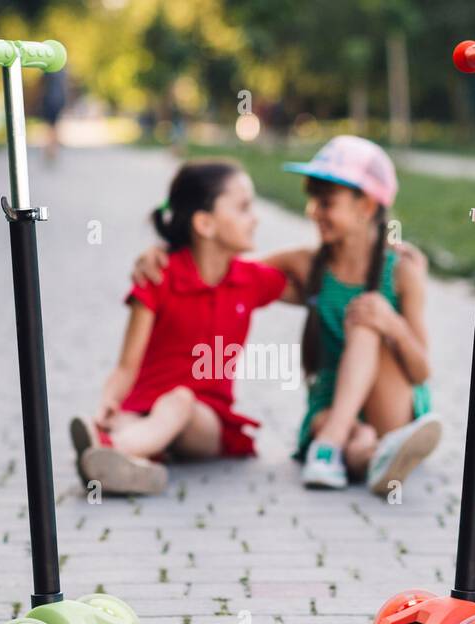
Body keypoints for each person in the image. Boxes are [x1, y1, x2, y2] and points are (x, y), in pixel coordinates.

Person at [130, 136, 441, 496]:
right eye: (312, 201)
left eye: (326, 203)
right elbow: (222, 272)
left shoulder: (401, 272)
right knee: (357, 439)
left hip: (392, 400)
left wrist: (392, 324)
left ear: (367, 206)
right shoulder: (306, 265)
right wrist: (165, 253)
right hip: (332, 403)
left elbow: (421, 371)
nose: (313, 211)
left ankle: (336, 446)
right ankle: (370, 457)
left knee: (367, 318)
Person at [70, 158, 290, 495]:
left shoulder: (251, 280)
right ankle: (129, 462)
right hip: (145, 408)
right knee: (127, 420)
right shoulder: (157, 278)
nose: (255, 217)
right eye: (244, 208)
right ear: (205, 223)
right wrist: (108, 402)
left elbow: (312, 273)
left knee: (180, 402)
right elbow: (127, 366)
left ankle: (109, 452)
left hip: (205, 421)